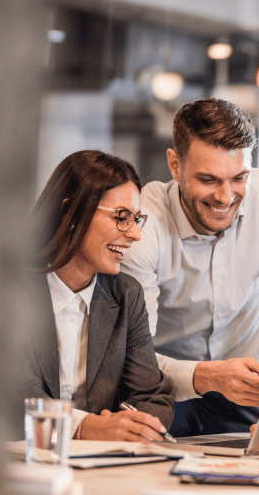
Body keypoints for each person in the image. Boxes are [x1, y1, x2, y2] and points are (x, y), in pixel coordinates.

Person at [122, 98, 259, 436]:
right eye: (208, 179)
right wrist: (208, 376)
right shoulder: (143, 225)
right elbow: (132, 356)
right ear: (175, 166)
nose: (225, 196)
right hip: (168, 395)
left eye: (238, 178)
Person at [18, 150, 174, 442]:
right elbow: (10, 397)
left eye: (135, 219)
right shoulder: (8, 291)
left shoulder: (126, 295)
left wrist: (132, 424)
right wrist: (87, 427)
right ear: (71, 212)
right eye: (121, 217)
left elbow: (153, 396)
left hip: (99, 465)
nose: (135, 234)